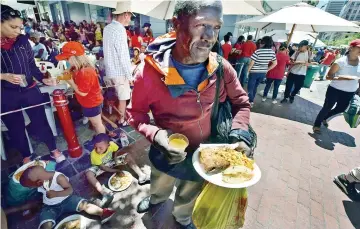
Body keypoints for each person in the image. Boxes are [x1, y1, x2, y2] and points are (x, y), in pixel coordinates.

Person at [127, 1, 252, 228]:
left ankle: (182, 216)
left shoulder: (222, 68)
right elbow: (135, 115)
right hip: (165, 151)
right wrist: (156, 136)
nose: (209, 36)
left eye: (216, 27)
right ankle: (156, 200)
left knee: (189, 192)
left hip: (205, 154)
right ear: (177, 24)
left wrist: (239, 135)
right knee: (160, 184)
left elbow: (242, 104)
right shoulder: (148, 73)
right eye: (201, 24)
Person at [1, 5, 65, 164]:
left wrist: (43, 79)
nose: (17, 31)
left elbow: (31, 65)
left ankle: (53, 149)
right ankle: (26, 156)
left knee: (40, 121)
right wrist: (4, 76)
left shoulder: (22, 40)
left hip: (29, 88)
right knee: (15, 127)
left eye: (19, 27)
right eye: (13, 27)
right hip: (6, 93)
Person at [19, 166, 116, 229]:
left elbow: (69, 190)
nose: (32, 188)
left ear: (38, 182)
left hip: (67, 200)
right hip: (49, 206)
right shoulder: (41, 180)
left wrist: (56, 194)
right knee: (45, 223)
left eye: (31, 186)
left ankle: (102, 213)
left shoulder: (59, 178)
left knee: (84, 205)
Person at [85, 133, 150, 207]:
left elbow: (115, 151)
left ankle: (142, 176)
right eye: (95, 147)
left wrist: (115, 159)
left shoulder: (112, 144)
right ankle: (105, 194)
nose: (98, 150)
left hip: (111, 162)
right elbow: (103, 167)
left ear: (108, 145)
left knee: (127, 156)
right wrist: (115, 171)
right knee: (88, 174)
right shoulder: (94, 154)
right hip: (100, 166)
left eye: (100, 148)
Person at [56, 41, 106, 134]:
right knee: (95, 123)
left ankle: (103, 141)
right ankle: (101, 138)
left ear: (75, 58)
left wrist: (71, 82)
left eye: (67, 58)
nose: (66, 61)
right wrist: (67, 71)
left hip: (92, 102)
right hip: (88, 101)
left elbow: (83, 92)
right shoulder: (78, 67)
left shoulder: (86, 72)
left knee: (97, 124)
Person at [313, 39, 360, 133]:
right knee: (327, 107)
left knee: (341, 109)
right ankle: (317, 124)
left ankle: (325, 117)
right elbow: (329, 76)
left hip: (350, 92)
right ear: (351, 48)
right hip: (335, 89)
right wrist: (344, 77)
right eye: (359, 47)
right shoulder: (341, 61)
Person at [103, 2, 134, 127]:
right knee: (123, 98)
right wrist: (130, 76)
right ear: (126, 15)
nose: (130, 19)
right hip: (120, 72)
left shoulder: (107, 28)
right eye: (130, 16)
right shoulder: (120, 29)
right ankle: (121, 120)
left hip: (110, 70)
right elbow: (123, 55)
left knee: (116, 97)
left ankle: (116, 117)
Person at [247, 36, 277, 107]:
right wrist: (267, 69)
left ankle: (250, 101)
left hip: (254, 72)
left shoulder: (258, 51)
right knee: (255, 87)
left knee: (250, 87)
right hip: (262, 73)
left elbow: (252, 63)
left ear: (264, 42)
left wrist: (248, 71)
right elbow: (275, 63)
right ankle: (251, 101)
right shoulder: (272, 52)